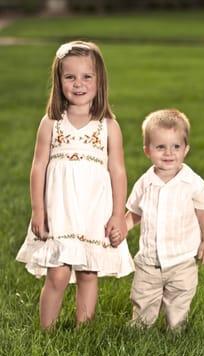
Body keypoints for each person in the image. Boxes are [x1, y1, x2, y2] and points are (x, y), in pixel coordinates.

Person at [16, 41, 134, 329]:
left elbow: (118, 171)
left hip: (93, 210)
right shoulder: (51, 122)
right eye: (70, 77)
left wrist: (118, 214)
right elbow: (38, 168)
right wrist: (38, 210)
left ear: (99, 81)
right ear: (59, 81)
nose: (78, 84)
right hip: (60, 209)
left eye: (86, 77)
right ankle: (46, 330)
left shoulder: (107, 125)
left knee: (88, 272)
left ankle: (84, 331)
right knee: (57, 273)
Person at [111, 109, 204, 330]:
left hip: (182, 259)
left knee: (180, 298)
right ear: (147, 150)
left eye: (176, 146)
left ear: (186, 149)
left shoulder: (192, 182)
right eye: (160, 147)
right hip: (150, 260)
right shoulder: (145, 183)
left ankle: (176, 331)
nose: (169, 153)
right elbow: (136, 213)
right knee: (144, 297)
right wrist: (124, 228)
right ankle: (140, 328)